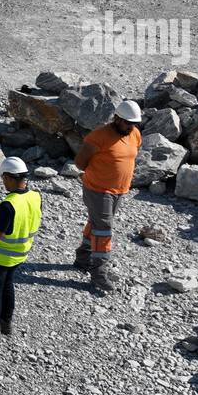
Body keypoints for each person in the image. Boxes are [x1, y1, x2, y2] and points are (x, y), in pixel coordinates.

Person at [73, 99, 143, 293]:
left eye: (134, 123)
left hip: (119, 190)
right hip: (98, 190)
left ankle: (83, 257)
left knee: (96, 223)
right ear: (117, 118)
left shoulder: (135, 134)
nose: (131, 127)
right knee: (104, 229)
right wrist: (98, 175)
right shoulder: (98, 137)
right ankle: (98, 273)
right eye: (128, 123)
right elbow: (80, 162)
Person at [0, 156, 41, 345]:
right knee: (7, 286)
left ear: (9, 177)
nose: (3, 182)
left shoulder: (9, 204)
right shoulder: (35, 196)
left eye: (3, 178)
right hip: (20, 254)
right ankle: (6, 323)